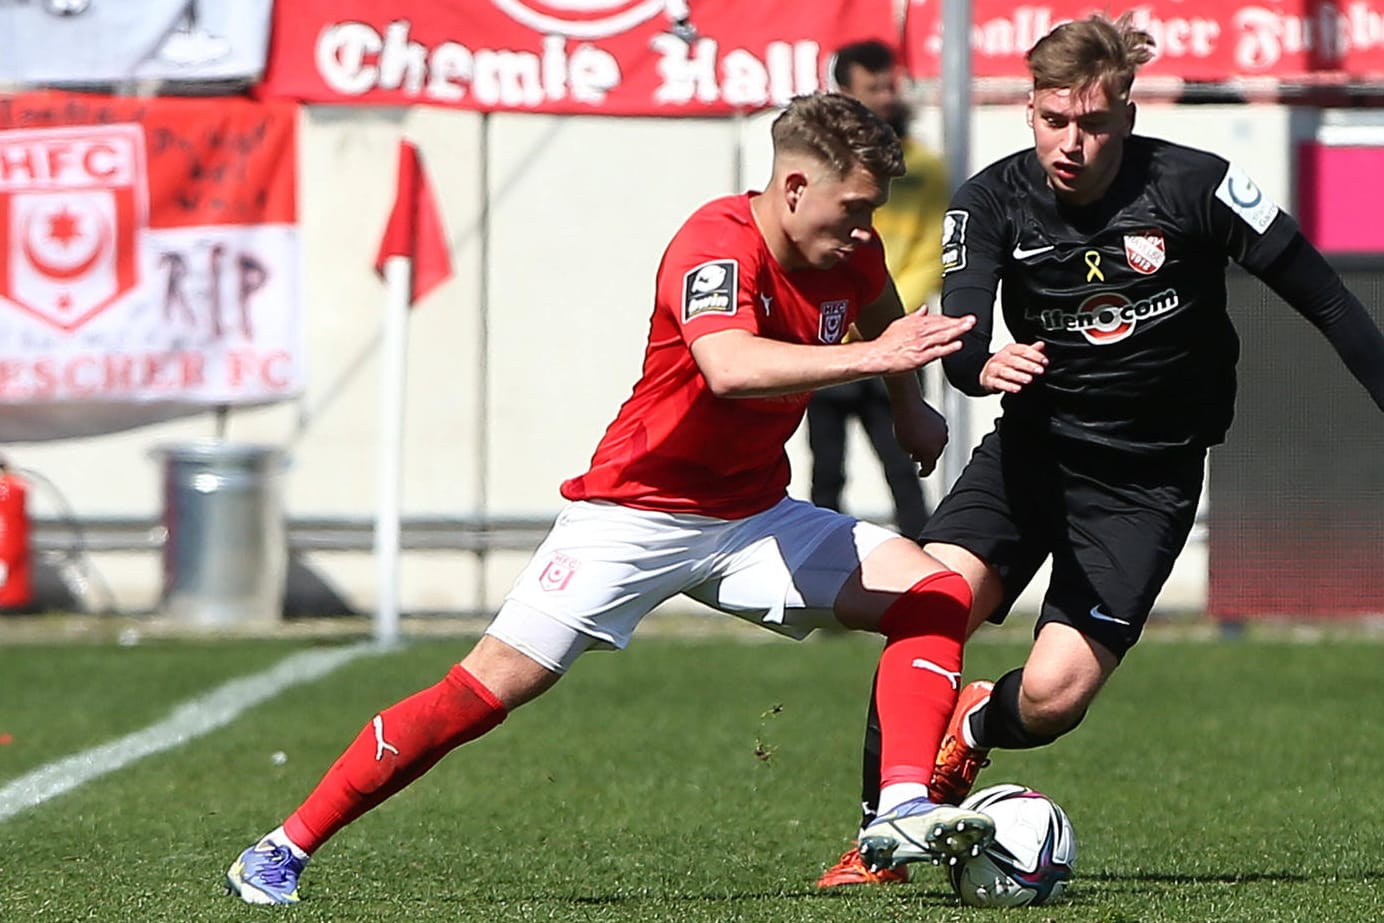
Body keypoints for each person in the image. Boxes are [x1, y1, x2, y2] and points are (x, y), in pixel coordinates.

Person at [224, 93, 996, 906]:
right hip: (634, 515)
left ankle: (901, 803)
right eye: (854, 209)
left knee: (936, 590)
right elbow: (729, 366)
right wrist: (876, 361)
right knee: (481, 692)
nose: (865, 230)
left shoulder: (849, 251)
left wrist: (908, 403)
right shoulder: (715, 245)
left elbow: (877, 306)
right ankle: (282, 847)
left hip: (753, 518)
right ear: (796, 187)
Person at [817, 12, 1384, 890]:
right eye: (1053, 120)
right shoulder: (991, 198)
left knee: (1053, 698)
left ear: (1126, 111)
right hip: (1031, 455)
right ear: (1031, 111)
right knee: (931, 602)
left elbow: (1329, 302)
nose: (1070, 143)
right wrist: (978, 363)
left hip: (1145, 480)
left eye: (1092, 123)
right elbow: (960, 326)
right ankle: (877, 839)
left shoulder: (1197, 187)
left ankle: (970, 729)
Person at [806, 39, 950, 539]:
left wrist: (883, 321)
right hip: (827, 346)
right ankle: (820, 585)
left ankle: (923, 572)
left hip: (892, 341)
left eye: (891, 86)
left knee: (903, 468)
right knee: (826, 474)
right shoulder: (817, 170)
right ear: (844, 91)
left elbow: (931, 254)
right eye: (873, 88)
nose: (887, 97)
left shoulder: (923, 167)